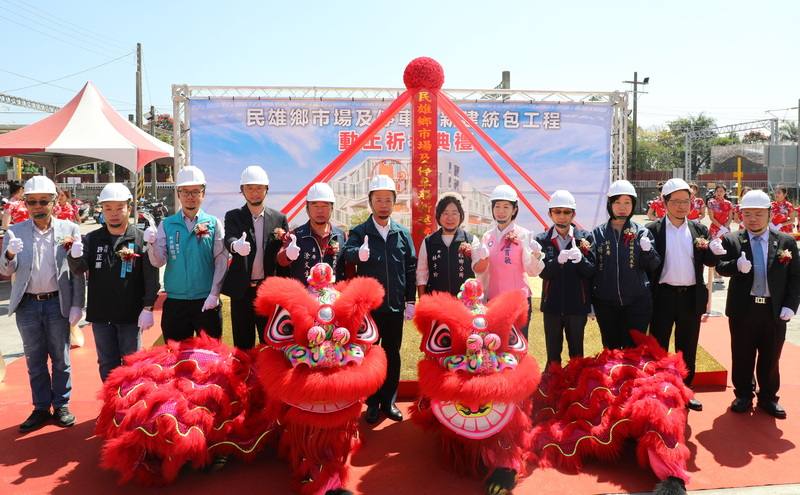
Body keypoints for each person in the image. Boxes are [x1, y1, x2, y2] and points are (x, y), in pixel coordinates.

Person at [0, 176, 84, 432]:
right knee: (34, 359)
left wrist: (77, 305)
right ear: (25, 203)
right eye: (32, 202)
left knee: (61, 357)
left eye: (43, 201)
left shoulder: (69, 230)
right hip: (27, 305)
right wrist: (10, 253)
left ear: (54, 202)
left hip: (57, 302)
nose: (37, 206)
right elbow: (5, 269)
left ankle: (61, 405)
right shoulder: (16, 231)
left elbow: (77, 272)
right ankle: (40, 407)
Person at [714, 189, 800, 419]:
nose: (752, 218)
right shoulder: (733, 240)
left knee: (771, 356)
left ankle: (768, 397)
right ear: (740, 215)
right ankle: (743, 393)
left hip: (774, 310)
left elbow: (795, 278)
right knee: (742, 353)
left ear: (770, 214)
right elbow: (720, 267)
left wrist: (791, 305)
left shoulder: (786, 242)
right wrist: (735, 265)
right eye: (747, 213)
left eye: (758, 214)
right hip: (744, 308)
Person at [342, 174, 416, 424]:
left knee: (392, 353)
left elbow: (410, 268)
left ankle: (389, 401)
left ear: (394, 202)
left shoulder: (402, 233)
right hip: (370, 309)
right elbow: (345, 255)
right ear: (371, 202)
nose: (383, 204)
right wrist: (357, 253)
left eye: (388, 199)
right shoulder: (360, 231)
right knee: (370, 355)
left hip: (395, 306)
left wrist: (410, 300)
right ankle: (372, 402)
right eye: (378, 199)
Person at [67, 183, 160, 381]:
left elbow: (151, 277)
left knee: (132, 364)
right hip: (101, 316)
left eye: (119, 208)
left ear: (129, 207)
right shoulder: (92, 239)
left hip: (131, 316)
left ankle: (130, 407)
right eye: (108, 208)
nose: (114, 213)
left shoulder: (141, 238)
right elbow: (79, 269)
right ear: (102, 209)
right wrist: (74, 256)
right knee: (107, 364)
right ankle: (112, 406)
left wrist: (148, 307)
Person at [646, 178, 718, 412]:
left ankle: (685, 391)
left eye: (685, 201)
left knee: (687, 347)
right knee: (658, 346)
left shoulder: (699, 229)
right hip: (663, 297)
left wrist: (715, 253)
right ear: (664, 202)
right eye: (675, 201)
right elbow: (647, 265)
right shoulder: (653, 231)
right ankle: (657, 392)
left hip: (690, 297)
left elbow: (707, 260)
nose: (681, 206)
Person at [144, 165, 228, 342]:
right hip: (175, 302)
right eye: (185, 191)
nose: (190, 196)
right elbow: (158, 262)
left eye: (195, 191)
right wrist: (151, 244)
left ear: (203, 193)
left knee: (210, 359)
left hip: (206, 301)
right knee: (175, 360)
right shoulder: (167, 225)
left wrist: (214, 294)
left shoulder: (213, 223)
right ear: (178, 193)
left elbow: (221, 260)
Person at [222, 165, 288, 349]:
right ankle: (245, 377)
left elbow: (283, 256)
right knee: (243, 344)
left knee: (270, 342)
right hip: (242, 291)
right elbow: (229, 238)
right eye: (249, 188)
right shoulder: (234, 216)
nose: (255, 193)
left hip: (267, 291)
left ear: (267, 189)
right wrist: (236, 245)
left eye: (259, 188)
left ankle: (267, 378)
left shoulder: (279, 218)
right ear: (242, 191)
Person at [591, 180, 660, 350]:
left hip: (637, 303)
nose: (622, 207)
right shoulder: (597, 234)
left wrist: (647, 251)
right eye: (617, 202)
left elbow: (653, 265)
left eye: (627, 202)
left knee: (635, 350)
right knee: (610, 350)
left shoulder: (642, 232)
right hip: (605, 303)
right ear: (610, 204)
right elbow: (591, 269)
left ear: (633, 205)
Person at [472, 185, 544, 340]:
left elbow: (532, 271)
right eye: (497, 206)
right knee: (494, 345)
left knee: (518, 345)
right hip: (494, 300)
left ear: (514, 210)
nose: (501, 211)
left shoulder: (523, 234)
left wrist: (536, 255)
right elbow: (482, 271)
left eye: (506, 206)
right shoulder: (487, 236)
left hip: (518, 301)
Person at [535, 190, 595, 367]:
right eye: (557, 211)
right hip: (552, 307)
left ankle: (575, 393)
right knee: (552, 357)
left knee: (577, 357)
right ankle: (552, 392)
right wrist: (556, 262)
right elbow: (543, 272)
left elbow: (592, 271)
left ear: (573, 214)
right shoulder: (541, 240)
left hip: (577, 307)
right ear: (550, 213)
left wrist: (581, 260)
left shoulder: (585, 238)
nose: (562, 216)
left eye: (566, 212)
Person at [277, 181, 345, 286]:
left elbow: (349, 269)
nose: (320, 211)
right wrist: (288, 254)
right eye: (315, 206)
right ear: (307, 209)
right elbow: (281, 260)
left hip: (334, 298)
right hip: (304, 299)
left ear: (332, 208)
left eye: (325, 206)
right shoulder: (295, 235)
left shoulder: (341, 236)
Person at [416, 192, 475, 297]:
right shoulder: (428, 242)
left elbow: (479, 273)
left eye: (454, 213)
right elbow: (421, 275)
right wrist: (422, 302)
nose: (450, 218)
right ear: (439, 215)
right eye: (445, 213)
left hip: (464, 306)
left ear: (461, 215)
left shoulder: (471, 240)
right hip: (436, 305)